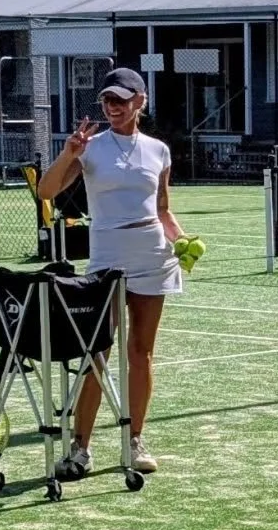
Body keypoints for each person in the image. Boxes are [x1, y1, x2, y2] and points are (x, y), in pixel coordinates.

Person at [37, 67, 184, 476]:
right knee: (95, 353)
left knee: (141, 352)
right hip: (106, 260)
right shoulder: (89, 148)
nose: (112, 106)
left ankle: (134, 441)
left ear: (140, 102)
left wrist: (182, 241)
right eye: (107, 100)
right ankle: (80, 448)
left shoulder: (159, 150)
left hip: (152, 257)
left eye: (121, 100)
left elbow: (162, 211)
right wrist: (69, 152)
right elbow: (46, 192)